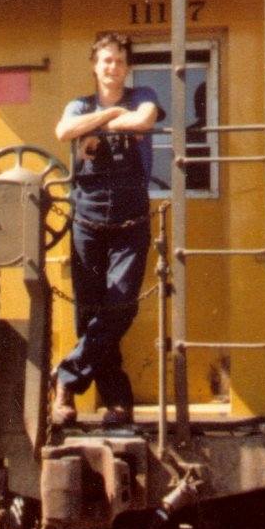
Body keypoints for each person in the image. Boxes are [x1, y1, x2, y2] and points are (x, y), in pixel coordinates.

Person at [52, 32, 160, 427]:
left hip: (131, 220)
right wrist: (114, 117)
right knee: (90, 314)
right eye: (105, 60)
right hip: (87, 220)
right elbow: (64, 131)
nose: (112, 67)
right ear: (95, 66)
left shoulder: (144, 93)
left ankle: (65, 378)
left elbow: (144, 119)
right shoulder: (78, 104)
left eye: (118, 60)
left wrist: (97, 125)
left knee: (120, 304)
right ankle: (117, 401)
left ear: (127, 67)